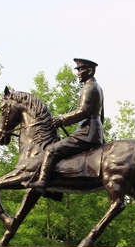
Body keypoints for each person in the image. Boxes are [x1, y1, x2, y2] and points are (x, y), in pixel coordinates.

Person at [27, 58, 105, 190]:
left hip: (87, 133)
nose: (78, 73)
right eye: (78, 70)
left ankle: (42, 182)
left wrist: (61, 119)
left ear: (90, 70)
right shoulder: (97, 88)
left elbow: (83, 111)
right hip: (93, 131)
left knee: (51, 150)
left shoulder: (89, 87)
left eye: (81, 69)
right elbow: (101, 115)